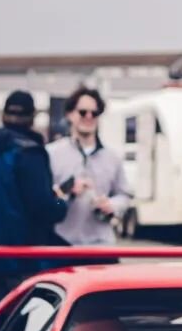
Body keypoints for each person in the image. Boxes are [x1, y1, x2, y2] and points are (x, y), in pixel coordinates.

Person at [0, 90, 68, 304]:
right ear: (33, 117)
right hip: (22, 253)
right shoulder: (30, 152)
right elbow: (43, 207)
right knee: (24, 319)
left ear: (3, 115)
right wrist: (60, 201)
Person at [47, 85, 132, 245]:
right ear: (69, 114)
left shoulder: (112, 157)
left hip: (101, 245)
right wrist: (67, 193)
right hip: (62, 244)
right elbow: (47, 203)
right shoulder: (51, 154)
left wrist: (111, 205)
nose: (89, 117)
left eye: (94, 113)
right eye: (82, 112)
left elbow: (125, 195)